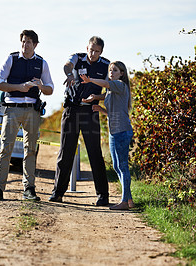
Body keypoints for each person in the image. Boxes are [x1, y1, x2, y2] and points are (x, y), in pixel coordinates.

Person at [0, 30, 54, 201]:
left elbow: (50, 89)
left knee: (30, 150)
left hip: (32, 111)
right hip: (12, 109)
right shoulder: (11, 59)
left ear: (35, 45)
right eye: (23, 42)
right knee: (6, 148)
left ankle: (29, 189)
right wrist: (20, 87)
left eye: (29, 42)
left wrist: (40, 87)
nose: (25, 45)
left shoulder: (42, 63)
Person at [49, 36, 109, 205]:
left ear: (101, 52)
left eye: (97, 51)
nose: (93, 54)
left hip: (91, 111)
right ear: (87, 47)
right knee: (66, 152)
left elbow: (112, 91)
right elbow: (67, 65)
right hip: (72, 110)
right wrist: (69, 74)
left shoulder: (106, 65)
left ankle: (103, 195)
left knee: (94, 153)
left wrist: (97, 97)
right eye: (91, 49)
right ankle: (58, 192)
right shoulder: (77, 57)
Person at [80, 61, 134, 210]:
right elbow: (111, 109)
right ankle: (129, 199)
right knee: (117, 166)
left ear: (121, 74)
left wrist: (90, 80)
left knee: (122, 166)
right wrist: (99, 107)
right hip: (114, 132)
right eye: (110, 70)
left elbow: (105, 84)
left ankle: (124, 201)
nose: (111, 72)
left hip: (122, 132)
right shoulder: (112, 90)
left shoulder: (120, 85)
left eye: (114, 70)